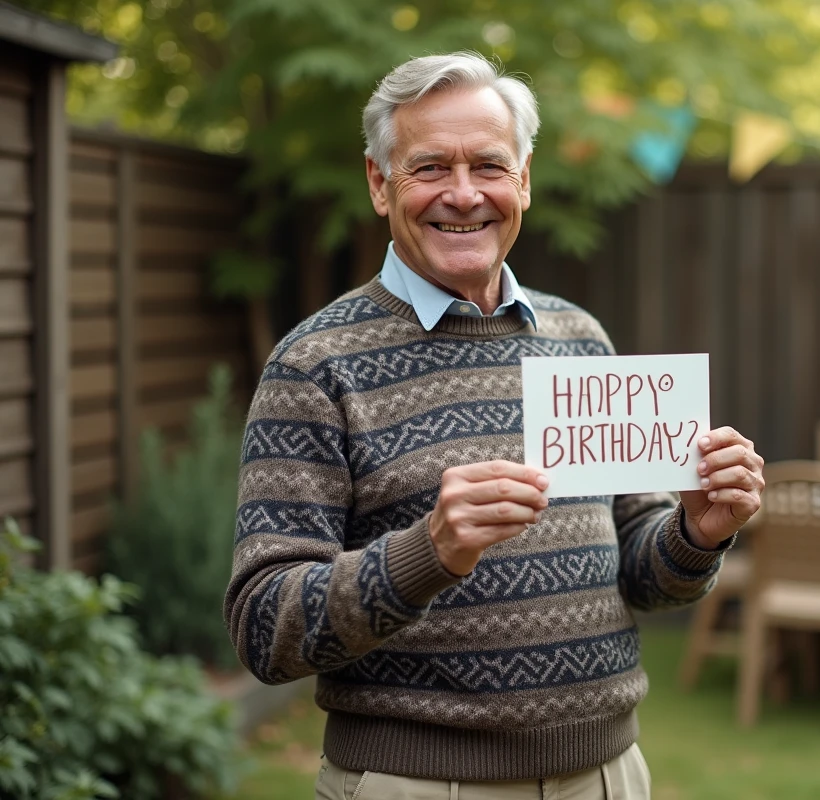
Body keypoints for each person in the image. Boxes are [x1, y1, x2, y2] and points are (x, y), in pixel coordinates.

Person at [224, 51, 765, 800]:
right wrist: (427, 553)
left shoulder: (579, 337)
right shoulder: (314, 365)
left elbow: (641, 577)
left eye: (488, 165)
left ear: (525, 180)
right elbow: (263, 626)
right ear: (380, 185)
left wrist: (694, 533)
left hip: (607, 776)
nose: (464, 194)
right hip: (415, 783)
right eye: (429, 169)